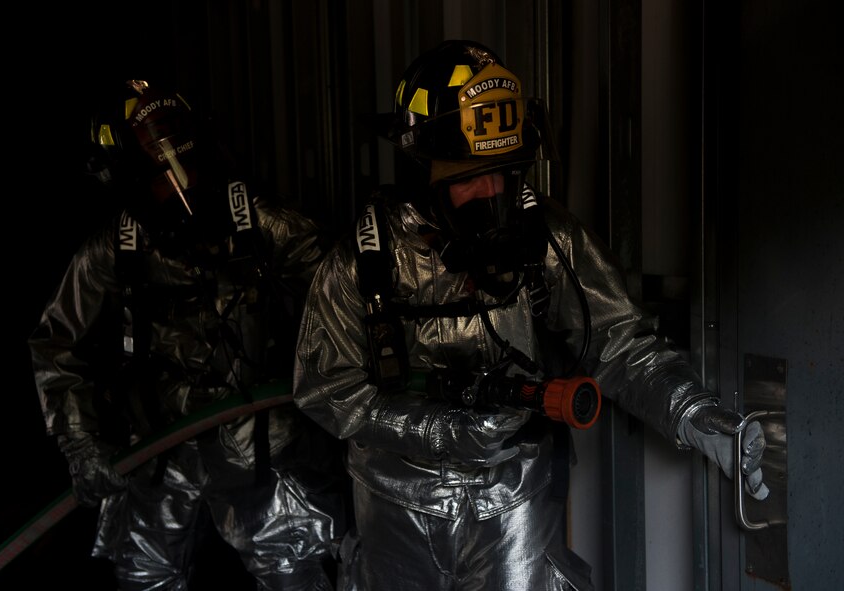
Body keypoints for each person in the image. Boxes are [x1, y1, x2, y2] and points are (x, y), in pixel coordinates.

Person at [293, 40, 768, 590]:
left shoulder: (547, 238)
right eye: (468, 175)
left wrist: (691, 412)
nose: (491, 193)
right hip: (395, 515)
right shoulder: (365, 261)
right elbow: (325, 388)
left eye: (504, 171)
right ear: (422, 171)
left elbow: (620, 343)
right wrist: (437, 431)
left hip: (515, 506)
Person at [29, 78, 346, 590]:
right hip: (156, 449)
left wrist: (340, 389)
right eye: (162, 177)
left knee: (294, 569)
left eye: (190, 165)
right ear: (128, 181)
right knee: (144, 574)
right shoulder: (117, 247)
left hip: (261, 442)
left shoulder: (259, 223)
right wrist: (81, 441)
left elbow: (346, 298)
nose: (184, 187)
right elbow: (58, 342)